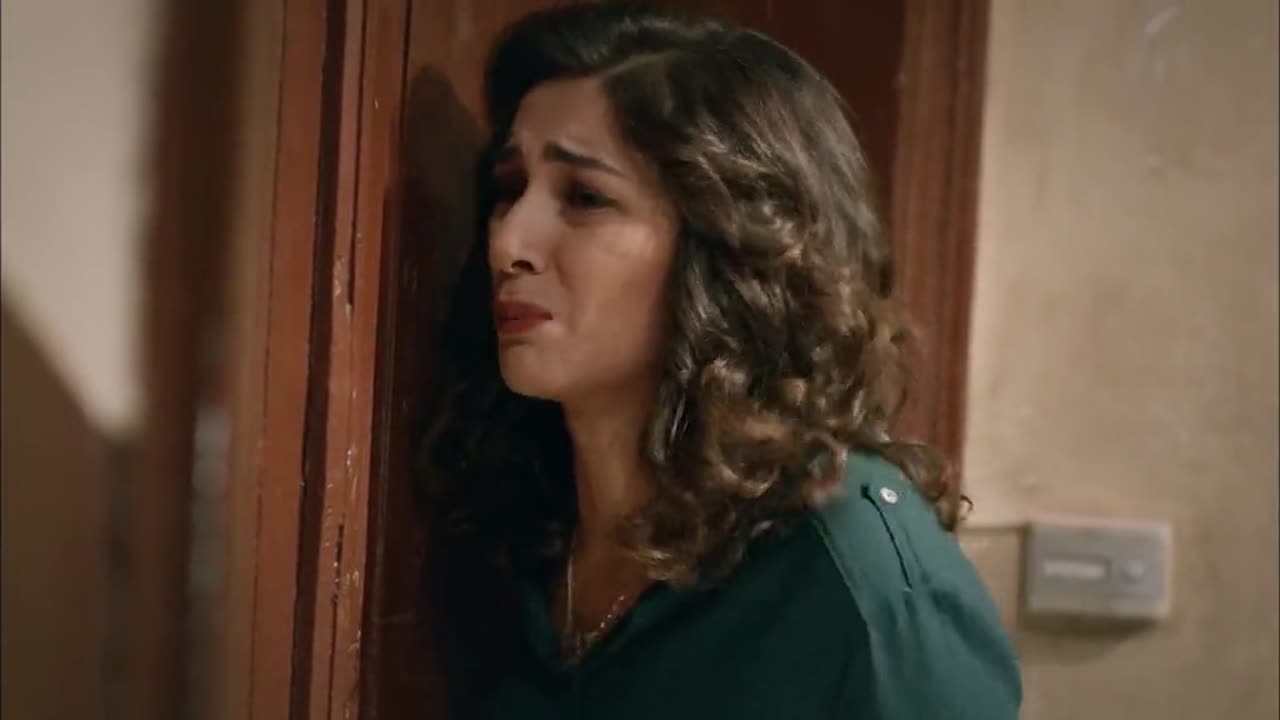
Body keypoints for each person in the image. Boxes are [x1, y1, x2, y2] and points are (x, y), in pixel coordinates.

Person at [420, 3, 1022, 718]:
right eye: (508, 189)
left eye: (584, 197)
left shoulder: (853, 575)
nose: (507, 241)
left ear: (726, 248)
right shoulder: (524, 525)